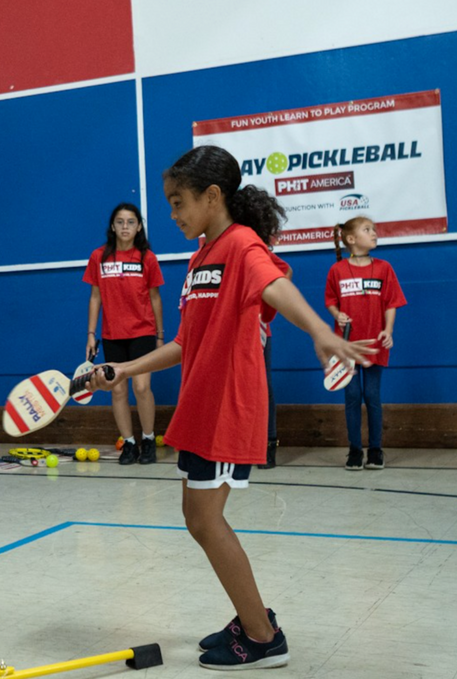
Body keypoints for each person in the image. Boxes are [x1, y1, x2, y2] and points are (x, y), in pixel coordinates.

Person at [89, 145, 374, 670]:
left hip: (227, 406)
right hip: (200, 406)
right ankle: (251, 619)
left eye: (178, 202)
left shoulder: (241, 245)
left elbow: (276, 284)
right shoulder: (201, 258)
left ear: (212, 196)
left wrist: (319, 331)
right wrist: (127, 370)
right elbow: (185, 342)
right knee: (197, 519)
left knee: (205, 521)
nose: (172, 214)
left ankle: (263, 637)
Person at [83, 202, 165, 464]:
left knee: (142, 388)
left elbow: (156, 298)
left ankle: (148, 439)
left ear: (139, 226)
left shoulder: (146, 258)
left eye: (131, 222)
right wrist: (91, 334)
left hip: (143, 332)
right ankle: (129, 444)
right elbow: (95, 297)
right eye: (120, 222)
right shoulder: (99, 257)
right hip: (112, 334)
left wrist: (160, 336)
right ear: (112, 226)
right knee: (118, 391)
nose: (125, 226)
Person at [325, 216, 406, 471]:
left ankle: (375, 450)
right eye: (367, 229)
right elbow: (330, 301)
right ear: (351, 239)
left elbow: (392, 302)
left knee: (372, 396)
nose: (374, 233)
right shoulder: (336, 270)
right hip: (346, 345)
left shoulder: (384, 268)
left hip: (374, 344)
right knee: (351, 396)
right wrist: (337, 314)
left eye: (374, 229)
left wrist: (388, 330)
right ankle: (354, 450)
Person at [257, 251, 292, 469]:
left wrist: (269, 301)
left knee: (263, 387)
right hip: (230, 332)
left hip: (258, 330)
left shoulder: (256, 249)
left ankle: (268, 442)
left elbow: (285, 270)